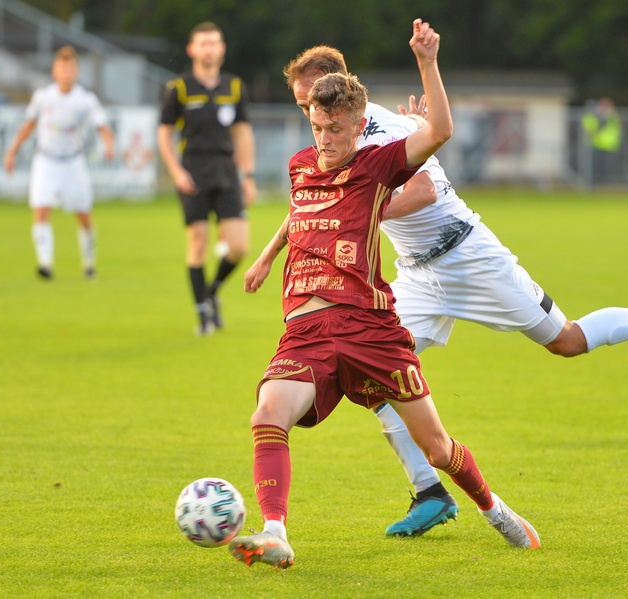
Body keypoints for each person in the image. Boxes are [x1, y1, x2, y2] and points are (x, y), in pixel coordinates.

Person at [280, 50, 628, 538]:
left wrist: (360, 211)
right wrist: (272, 255)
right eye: (304, 108)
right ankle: (431, 493)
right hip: (417, 276)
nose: (310, 116)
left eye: (312, 102)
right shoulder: (337, 141)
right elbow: (312, 204)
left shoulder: (380, 129)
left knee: (567, 340)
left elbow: (425, 190)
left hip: (468, 257)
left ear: (340, 89)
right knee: (382, 383)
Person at [229, 19, 541, 570]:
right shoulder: (301, 167)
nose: (323, 138)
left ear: (357, 126)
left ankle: (493, 508)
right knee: (266, 417)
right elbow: (302, 215)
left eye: (333, 128)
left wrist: (427, 61)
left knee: (439, 448)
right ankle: (275, 530)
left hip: (369, 329)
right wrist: (267, 255)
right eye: (315, 124)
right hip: (305, 332)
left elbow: (439, 130)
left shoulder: (376, 166)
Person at [157, 21, 257, 335]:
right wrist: (176, 171)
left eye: (214, 43)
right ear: (192, 49)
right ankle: (202, 314)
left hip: (226, 172)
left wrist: (248, 174)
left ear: (222, 49)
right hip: (193, 171)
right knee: (198, 242)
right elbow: (164, 132)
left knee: (239, 246)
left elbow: (242, 131)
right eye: (203, 43)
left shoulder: (234, 86)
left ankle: (212, 292)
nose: (209, 49)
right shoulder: (180, 88)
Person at [4, 45, 115, 280]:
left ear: (76, 72)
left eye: (70, 68)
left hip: (73, 161)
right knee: (42, 209)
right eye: (61, 68)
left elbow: (103, 126)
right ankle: (45, 263)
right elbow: (28, 125)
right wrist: (12, 150)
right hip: (46, 160)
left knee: (83, 214)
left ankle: (88, 263)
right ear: (54, 71)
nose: (66, 73)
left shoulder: (85, 99)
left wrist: (109, 144)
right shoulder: (43, 97)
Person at [581, 97, 622, 185]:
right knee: (595, 166)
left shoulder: (612, 116)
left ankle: (607, 183)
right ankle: (594, 182)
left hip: (610, 146)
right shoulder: (592, 116)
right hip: (595, 144)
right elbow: (591, 129)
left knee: (608, 167)